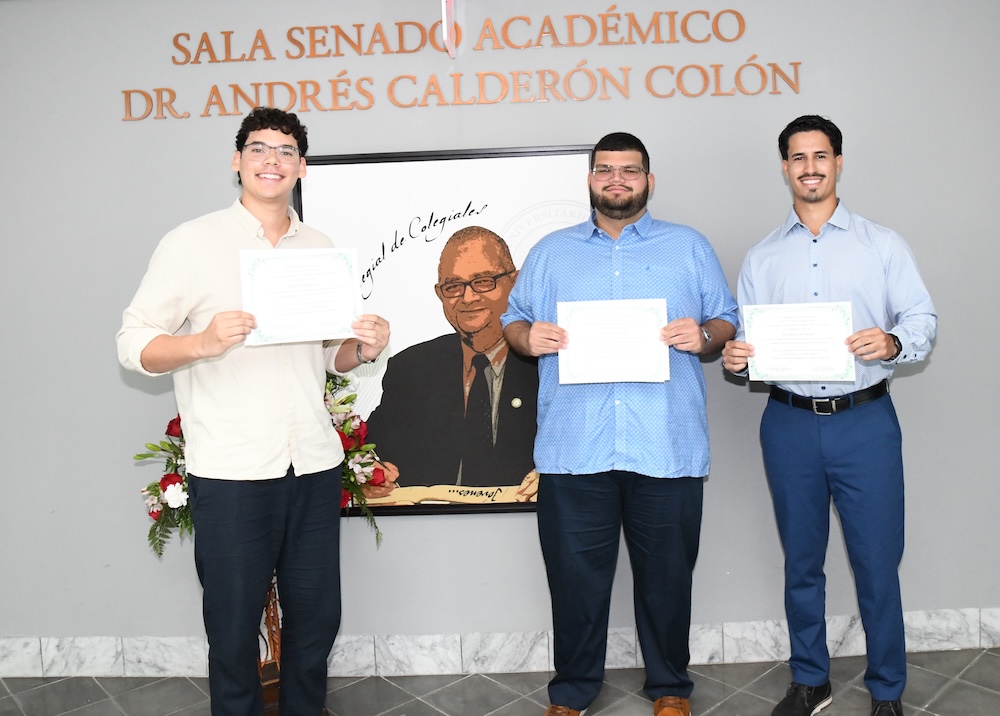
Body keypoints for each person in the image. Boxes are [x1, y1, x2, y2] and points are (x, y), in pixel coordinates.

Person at [116, 106, 390, 716]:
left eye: (287, 150)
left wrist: (361, 349)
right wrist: (203, 343)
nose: (273, 160)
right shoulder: (191, 242)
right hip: (232, 469)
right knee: (234, 630)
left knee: (317, 620)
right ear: (237, 160)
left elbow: (325, 356)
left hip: (314, 464)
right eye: (259, 148)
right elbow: (132, 346)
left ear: (302, 168)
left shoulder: (319, 248)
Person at [502, 132, 738, 716]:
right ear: (590, 180)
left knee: (667, 582)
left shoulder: (688, 248)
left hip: (665, 445)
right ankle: (573, 691)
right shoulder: (552, 253)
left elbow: (726, 319)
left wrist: (704, 336)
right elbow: (513, 320)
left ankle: (669, 688)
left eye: (629, 171)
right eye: (605, 170)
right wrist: (526, 338)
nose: (617, 180)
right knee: (575, 583)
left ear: (648, 181)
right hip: (574, 448)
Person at [721, 115, 936, 716]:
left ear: (839, 163)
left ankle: (887, 689)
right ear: (785, 167)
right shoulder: (762, 259)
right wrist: (738, 358)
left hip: (864, 422)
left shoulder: (882, 244)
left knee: (876, 562)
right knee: (802, 562)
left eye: (821, 156)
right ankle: (810, 679)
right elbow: (748, 346)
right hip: (788, 423)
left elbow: (922, 320)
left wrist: (893, 343)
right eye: (797, 157)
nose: (809, 167)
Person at [366, 226, 538, 488]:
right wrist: (372, 468)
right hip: (432, 523)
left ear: (513, 282)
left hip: (524, 520)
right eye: (453, 286)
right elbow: (373, 449)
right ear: (439, 294)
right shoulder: (412, 368)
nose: (468, 297)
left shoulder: (546, 364)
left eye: (483, 281)